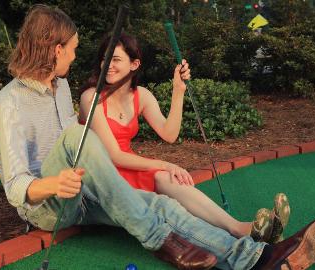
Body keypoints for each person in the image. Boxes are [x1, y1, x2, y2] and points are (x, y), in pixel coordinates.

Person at [0, 4, 315, 270]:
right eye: (73, 48)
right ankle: (158, 239)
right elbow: (16, 188)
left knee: (162, 204)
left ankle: (258, 258)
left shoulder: (61, 86)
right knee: (75, 136)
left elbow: (150, 139)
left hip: (84, 195)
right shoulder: (10, 103)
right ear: (55, 49)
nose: (77, 55)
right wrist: (55, 185)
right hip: (48, 209)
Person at [79, 32, 290, 243]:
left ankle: (241, 229)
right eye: (105, 59)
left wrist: (178, 91)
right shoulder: (91, 98)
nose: (108, 65)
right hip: (101, 172)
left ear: (134, 64)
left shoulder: (140, 95)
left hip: (128, 167)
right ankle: (239, 233)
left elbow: (169, 134)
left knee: (168, 177)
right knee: (166, 175)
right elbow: (114, 156)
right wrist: (165, 164)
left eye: (115, 59)